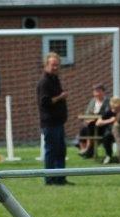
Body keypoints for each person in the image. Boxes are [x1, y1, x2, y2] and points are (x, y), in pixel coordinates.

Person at [36, 52, 70, 185]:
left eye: (57, 65)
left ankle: (60, 178)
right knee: (51, 151)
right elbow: (44, 102)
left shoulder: (55, 79)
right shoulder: (44, 82)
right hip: (50, 123)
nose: (55, 67)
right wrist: (60, 97)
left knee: (61, 151)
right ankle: (49, 179)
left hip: (59, 122)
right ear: (46, 65)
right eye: (53, 65)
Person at [96, 96, 120, 164]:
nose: (117, 108)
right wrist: (110, 120)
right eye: (115, 106)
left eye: (118, 105)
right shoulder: (108, 112)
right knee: (106, 137)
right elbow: (98, 123)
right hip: (110, 131)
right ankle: (108, 155)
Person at [77, 84, 109, 158]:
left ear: (103, 92)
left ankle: (88, 148)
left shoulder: (107, 101)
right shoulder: (92, 101)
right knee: (82, 128)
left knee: (90, 125)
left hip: (102, 125)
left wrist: (95, 117)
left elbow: (106, 114)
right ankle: (83, 150)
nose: (96, 93)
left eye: (98, 91)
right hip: (90, 123)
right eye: (95, 91)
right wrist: (87, 119)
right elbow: (87, 113)